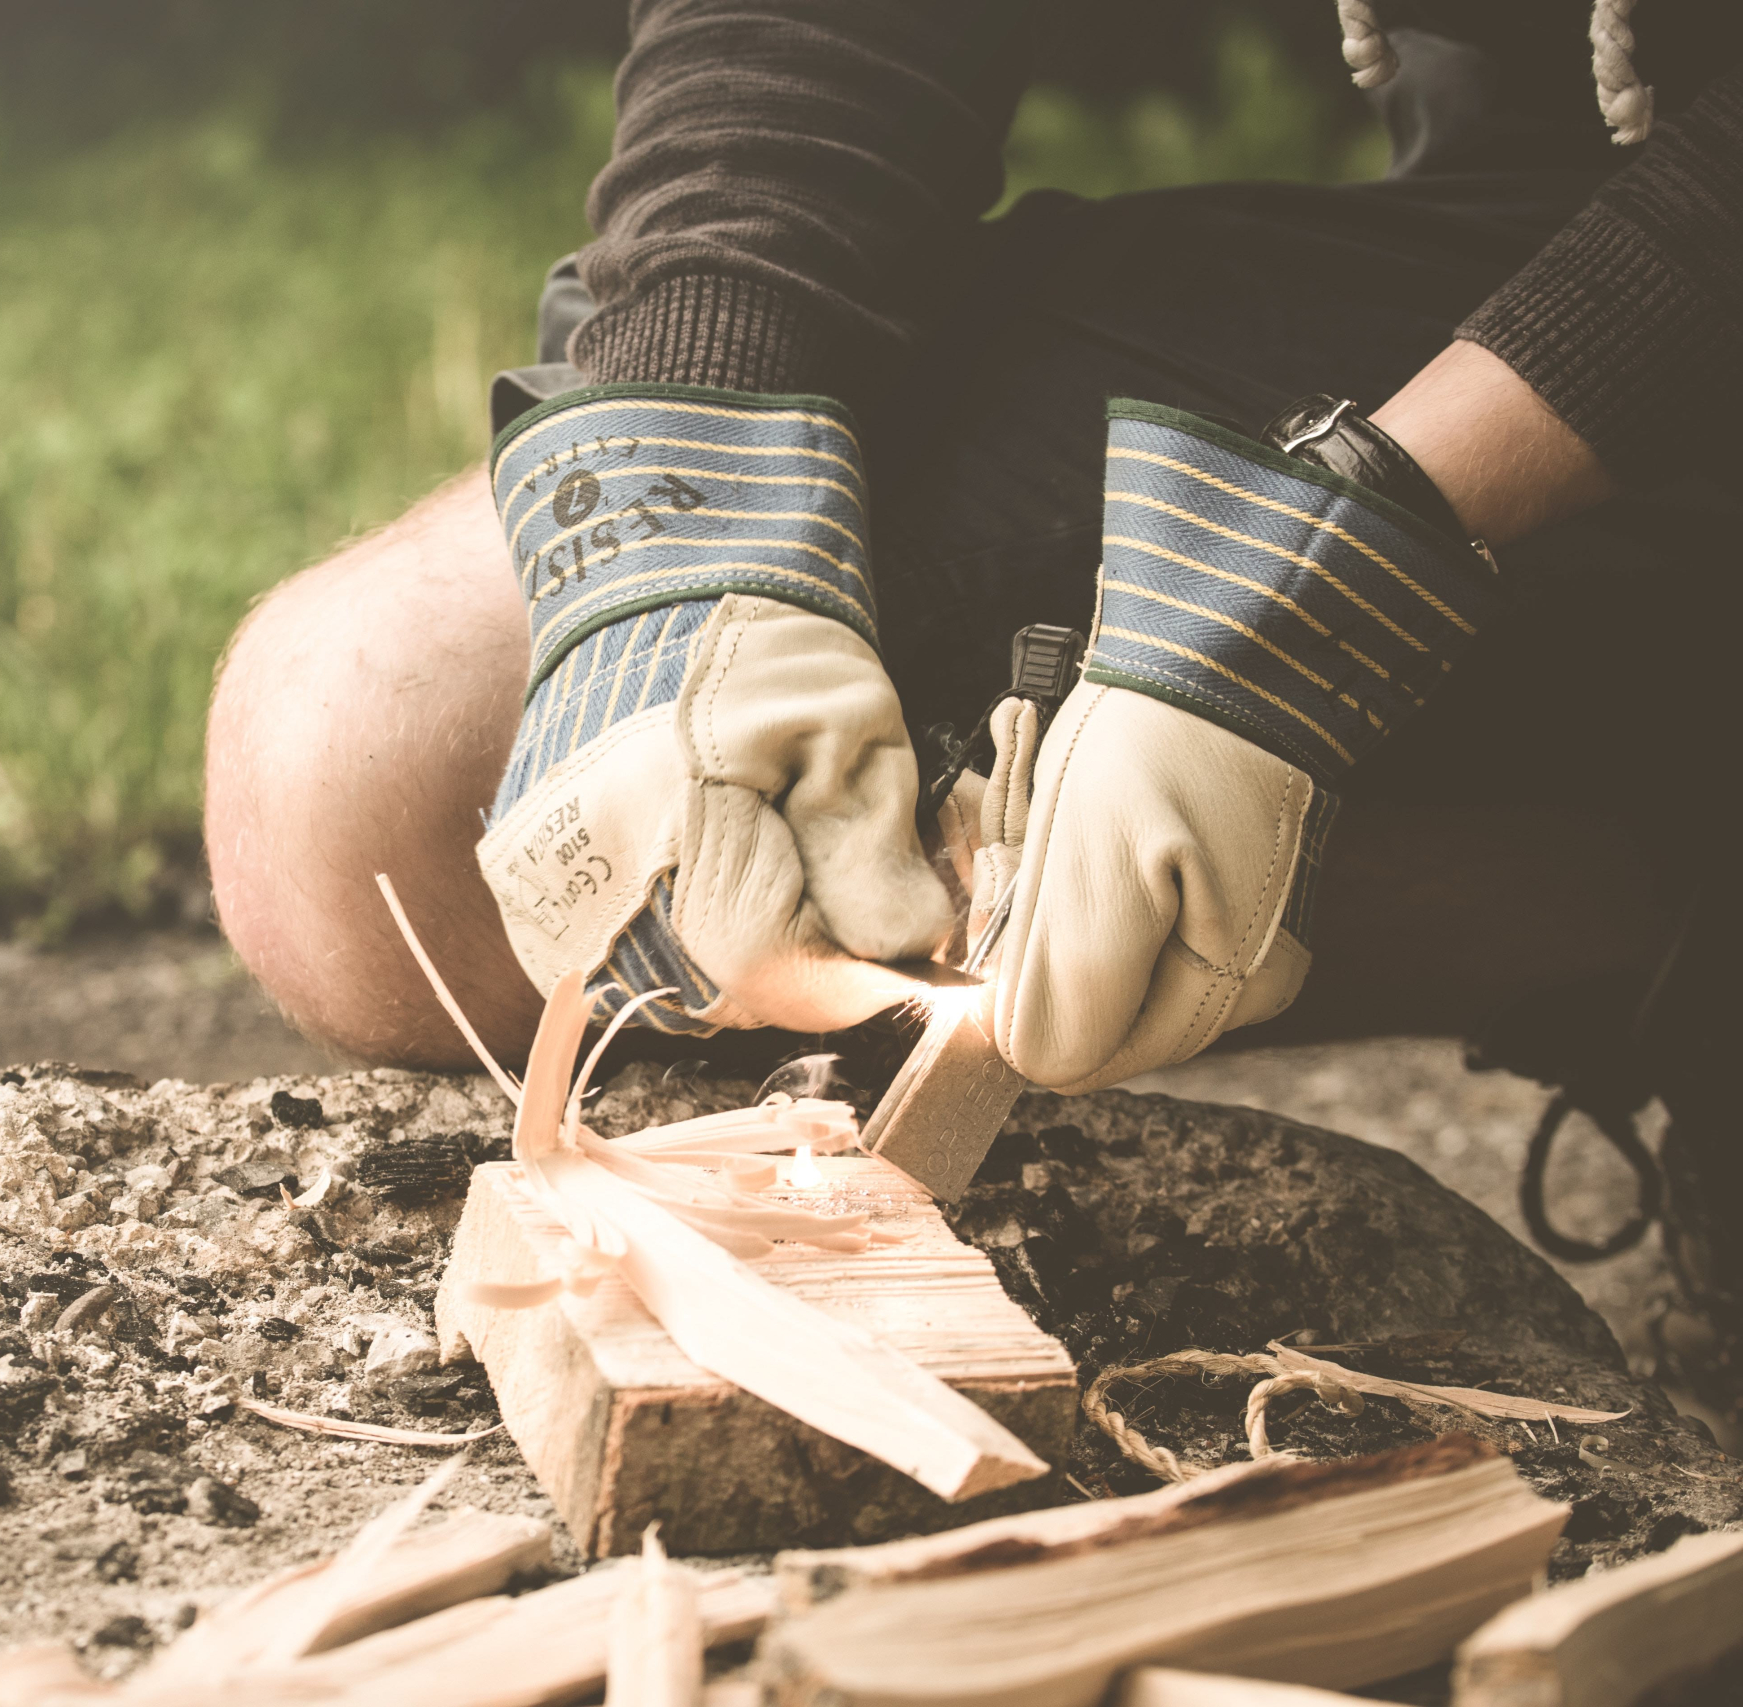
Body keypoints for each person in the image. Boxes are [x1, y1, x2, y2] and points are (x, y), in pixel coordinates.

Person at [206, 2, 1741, 1408]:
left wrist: (1360, 548)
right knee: (364, 764)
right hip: (1559, 220)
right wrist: (689, 486)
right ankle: (1639, 922)